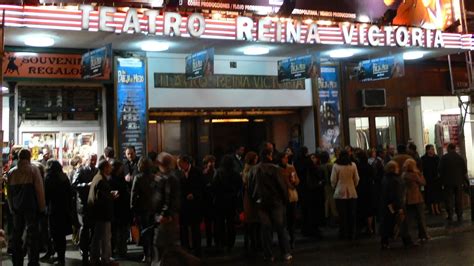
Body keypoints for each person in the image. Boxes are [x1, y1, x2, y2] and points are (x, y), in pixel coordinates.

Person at [248, 148, 292, 262]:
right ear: (269, 155)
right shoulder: (275, 169)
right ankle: (285, 252)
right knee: (280, 228)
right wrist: (285, 200)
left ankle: (268, 254)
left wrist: (254, 200)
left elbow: (250, 187)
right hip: (275, 202)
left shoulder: (254, 169)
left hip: (260, 202)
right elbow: (282, 187)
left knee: (266, 229)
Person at [7, 149, 46, 266]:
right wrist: (42, 207)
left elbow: (9, 194)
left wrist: (11, 207)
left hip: (17, 208)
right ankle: (32, 261)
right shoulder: (33, 169)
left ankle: (17, 261)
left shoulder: (11, 172)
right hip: (30, 207)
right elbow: (39, 190)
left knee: (17, 235)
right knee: (32, 235)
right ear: (29, 157)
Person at [152, 152, 181, 263]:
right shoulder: (164, 176)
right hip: (165, 215)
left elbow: (169, 199)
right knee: (167, 245)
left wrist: (165, 214)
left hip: (166, 217)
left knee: (161, 244)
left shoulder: (169, 178)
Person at [88, 159, 118, 266]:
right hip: (103, 214)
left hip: (97, 213)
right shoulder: (101, 180)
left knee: (97, 237)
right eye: (109, 166)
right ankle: (106, 259)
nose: (111, 168)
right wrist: (112, 196)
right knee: (105, 237)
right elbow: (102, 199)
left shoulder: (97, 177)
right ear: (105, 168)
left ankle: (94, 258)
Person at [44, 159, 73, 266]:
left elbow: (46, 196)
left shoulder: (49, 178)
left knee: (55, 234)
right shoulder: (64, 177)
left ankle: (58, 257)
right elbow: (70, 194)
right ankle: (62, 257)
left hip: (53, 210)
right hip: (64, 210)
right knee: (62, 236)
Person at [212, 154, 243, 252]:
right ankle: (230, 243)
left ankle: (220, 242)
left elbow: (214, 186)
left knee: (219, 223)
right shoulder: (235, 174)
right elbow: (239, 186)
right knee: (231, 223)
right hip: (231, 201)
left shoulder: (218, 173)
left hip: (219, 201)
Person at [72, 153, 98, 264]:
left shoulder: (96, 171)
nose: (93, 162)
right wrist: (87, 185)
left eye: (94, 160)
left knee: (92, 227)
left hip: (93, 203)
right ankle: (83, 248)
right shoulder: (80, 170)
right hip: (83, 203)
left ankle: (89, 248)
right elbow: (74, 184)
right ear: (86, 160)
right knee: (85, 227)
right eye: (91, 160)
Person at [177, 155, 204, 257]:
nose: (178, 166)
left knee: (195, 229)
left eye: (180, 164)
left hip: (195, 205)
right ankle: (185, 249)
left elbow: (202, 187)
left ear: (186, 163)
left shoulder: (197, 172)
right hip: (183, 205)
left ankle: (197, 250)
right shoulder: (179, 173)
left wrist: (194, 194)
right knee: (183, 229)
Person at [131, 158, 157, 263]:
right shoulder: (155, 177)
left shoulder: (138, 178)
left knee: (145, 232)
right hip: (153, 208)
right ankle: (154, 254)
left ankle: (147, 255)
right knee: (152, 232)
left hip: (142, 209)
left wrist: (132, 207)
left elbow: (133, 194)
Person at [330, 150, 359, 240]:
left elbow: (333, 180)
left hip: (340, 191)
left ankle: (343, 233)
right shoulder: (353, 165)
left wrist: (335, 186)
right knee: (351, 214)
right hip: (351, 191)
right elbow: (356, 179)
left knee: (342, 215)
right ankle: (352, 233)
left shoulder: (336, 166)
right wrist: (353, 185)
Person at [439, 143, 468, 222]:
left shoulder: (444, 158)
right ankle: (459, 215)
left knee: (449, 199)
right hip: (458, 182)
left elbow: (440, 170)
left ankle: (450, 215)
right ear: (455, 148)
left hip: (447, 182)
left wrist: (442, 180)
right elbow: (464, 170)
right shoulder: (460, 158)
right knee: (458, 199)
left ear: (448, 149)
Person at [276, 152, 300, 248]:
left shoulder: (291, 167)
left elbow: (297, 180)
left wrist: (294, 181)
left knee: (291, 218)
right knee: (283, 220)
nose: (286, 160)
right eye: (284, 158)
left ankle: (292, 238)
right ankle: (284, 240)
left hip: (291, 195)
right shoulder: (277, 169)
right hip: (282, 196)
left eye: (287, 158)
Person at [402, 159, 429, 242]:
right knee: (420, 217)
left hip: (407, 198)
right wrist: (420, 174)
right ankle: (423, 235)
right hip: (416, 197)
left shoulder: (404, 175)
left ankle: (408, 236)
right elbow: (423, 182)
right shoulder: (415, 174)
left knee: (409, 219)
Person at [109, 160, 131, 259]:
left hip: (120, 209)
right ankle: (119, 250)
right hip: (119, 208)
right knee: (118, 232)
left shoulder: (114, 179)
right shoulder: (114, 180)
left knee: (119, 231)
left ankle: (120, 250)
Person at [380, 161, 404, 249]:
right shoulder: (395, 180)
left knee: (386, 223)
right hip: (393, 204)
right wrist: (399, 206)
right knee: (396, 221)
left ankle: (385, 241)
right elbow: (396, 194)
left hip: (386, 204)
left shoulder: (385, 178)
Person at [242, 151, 260, 256]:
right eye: (255, 158)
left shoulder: (247, 169)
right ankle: (254, 244)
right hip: (251, 198)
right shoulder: (250, 170)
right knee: (253, 222)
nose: (257, 159)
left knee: (253, 223)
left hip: (249, 198)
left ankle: (253, 243)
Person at [303, 153, 325, 237]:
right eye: (312, 158)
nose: (314, 159)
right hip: (313, 193)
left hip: (317, 192)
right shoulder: (310, 169)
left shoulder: (318, 168)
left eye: (315, 158)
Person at [355, 150, 376, 235]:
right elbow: (373, 175)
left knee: (361, 208)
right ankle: (370, 227)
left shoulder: (357, 167)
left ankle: (362, 227)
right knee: (369, 209)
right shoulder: (369, 166)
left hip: (360, 189)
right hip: (369, 188)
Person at [421, 144, 442, 215]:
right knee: (430, 195)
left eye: (433, 149)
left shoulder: (436, 157)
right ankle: (432, 209)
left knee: (437, 194)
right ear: (427, 150)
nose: (433, 150)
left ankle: (437, 208)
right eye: (431, 149)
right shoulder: (423, 158)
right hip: (428, 179)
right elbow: (422, 169)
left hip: (436, 179)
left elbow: (439, 167)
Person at [202, 155, 216, 248]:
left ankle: (216, 242)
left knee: (216, 223)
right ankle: (209, 243)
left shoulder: (217, 173)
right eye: (210, 162)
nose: (211, 164)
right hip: (207, 202)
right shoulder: (203, 174)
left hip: (215, 201)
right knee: (208, 224)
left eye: (213, 162)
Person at [320, 151, 337, 226]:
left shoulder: (320, 166)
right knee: (332, 203)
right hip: (330, 186)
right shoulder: (330, 165)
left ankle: (327, 218)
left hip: (324, 186)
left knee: (326, 202)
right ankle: (333, 220)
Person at [68, 156, 83, 246]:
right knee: (76, 221)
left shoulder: (72, 173)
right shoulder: (74, 173)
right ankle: (76, 238)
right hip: (75, 199)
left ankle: (76, 238)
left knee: (76, 221)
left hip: (74, 200)